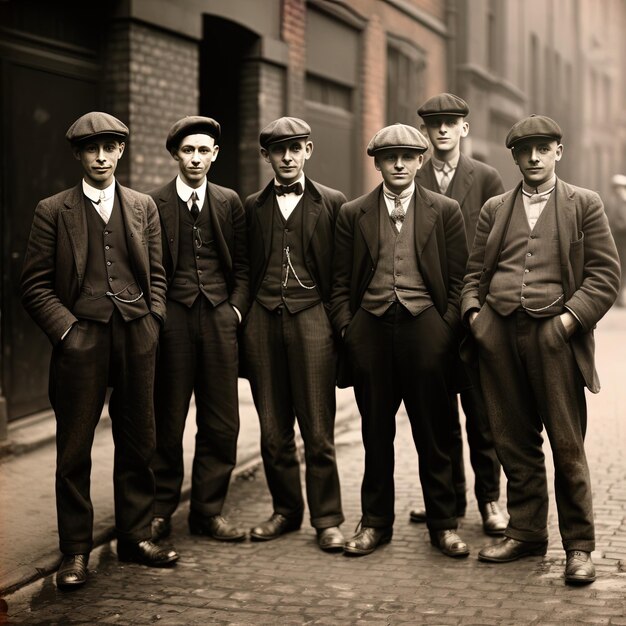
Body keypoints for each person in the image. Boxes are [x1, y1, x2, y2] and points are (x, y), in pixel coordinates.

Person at [20, 112, 179, 590]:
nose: (102, 156)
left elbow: (157, 273)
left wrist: (152, 321)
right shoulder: (54, 209)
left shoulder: (141, 207)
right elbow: (33, 284)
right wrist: (67, 331)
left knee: (139, 441)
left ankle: (134, 536)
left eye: (111, 147)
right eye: (93, 148)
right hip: (81, 338)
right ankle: (75, 553)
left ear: (122, 151)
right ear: (79, 155)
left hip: (136, 335)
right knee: (74, 450)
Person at [461, 114, 620, 584]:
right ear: (513, 156)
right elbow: (475, 276)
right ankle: (527, 531)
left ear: (558, 152)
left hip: (556, 338)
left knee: (567, 445)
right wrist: (476, 318)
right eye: (524, 150)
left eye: (543, 148)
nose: (533, 157)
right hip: (500, 338)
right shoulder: (494, 208)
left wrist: (569, 320)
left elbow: (606, 276)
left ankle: (579, 547)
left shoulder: (583, 204)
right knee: (512, 440)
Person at [330, 123, 470, 558]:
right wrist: (349, 330)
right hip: (370, 327)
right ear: (377, 162)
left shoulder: (444, 210)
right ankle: (375, 524)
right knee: (375, 432)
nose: (398, 164)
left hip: (426, 326)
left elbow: (460, 277)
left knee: (435, 432)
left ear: (420, 161)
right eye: (390, 156)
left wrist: (445, 328)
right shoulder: (353, 213)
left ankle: (443, 525)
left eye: (408, 156)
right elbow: (338, 283)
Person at [242, 116, 346, 552]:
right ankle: (286, 511)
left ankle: (326, 519)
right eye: (278, 149)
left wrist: (333, 320)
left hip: (313, 322)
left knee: (319, 430)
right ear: (266, 156)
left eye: (296, 147)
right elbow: (244, 268)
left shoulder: (334, 202)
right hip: (263, 321)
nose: (287, 156)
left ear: (308, 151)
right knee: (271, 430)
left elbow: (343, 273)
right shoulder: (251, 206)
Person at [408, 93, 507, 535]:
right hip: (430, 311)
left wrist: (484, 308)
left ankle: (490, 501)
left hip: (475, 311)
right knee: (437, 413)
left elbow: (500, 243)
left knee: (481, 415)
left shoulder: (485, 178)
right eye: (435, 124)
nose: (443, 130)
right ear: (426, 134)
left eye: (451, 123)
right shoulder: (413, 174)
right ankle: (445, 501)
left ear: (464, 128)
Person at [148, 116, 249, 543]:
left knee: (222, 421)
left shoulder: (229, 202)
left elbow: (244, 269)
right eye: (188, 150)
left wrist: (234, 313)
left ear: (215, 155)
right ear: (175, 154)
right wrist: (159, 316)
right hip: (173, 321)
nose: (195, 158)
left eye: (203, 150)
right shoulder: (152, 203)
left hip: (219, 321)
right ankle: (159, 511)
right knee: (167, 421)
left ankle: (208, 511)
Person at [605, 174, 626, 307]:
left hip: (622, 239)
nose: (620, 190)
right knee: (617, 267)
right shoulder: (611, 203)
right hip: (616, 240)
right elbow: (615, 222)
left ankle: (620, 297)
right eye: (617, 187)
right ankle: (617, 297)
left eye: (622, 187)